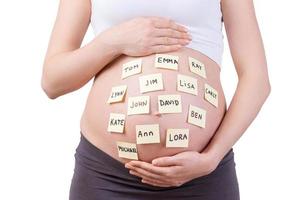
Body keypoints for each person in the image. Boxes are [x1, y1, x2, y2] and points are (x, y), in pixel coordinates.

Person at [41, 0, 271, 199]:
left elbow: (256, 79)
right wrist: (111, 41)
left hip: (202, 175)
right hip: (107, 175)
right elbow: (53, 81)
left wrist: (212, 157)